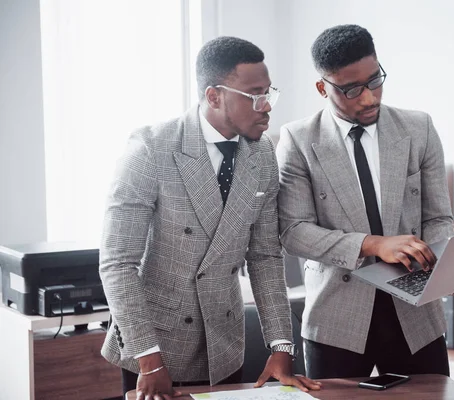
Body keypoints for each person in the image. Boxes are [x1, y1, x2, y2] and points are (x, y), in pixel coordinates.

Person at [100, 36, 320, 399]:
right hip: (155, 347)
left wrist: (282, 346)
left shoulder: (263, 154)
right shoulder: (150, 148)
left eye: (269, 93)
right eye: (254, 95)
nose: (266, 107)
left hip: (224, 341)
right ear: (214, 96)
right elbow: (117, 264)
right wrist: (149, 360)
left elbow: (265, 256)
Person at [277, 24, 454, 379]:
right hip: (337, 317)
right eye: (352, 89)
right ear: (322, 87)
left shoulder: (419, 128)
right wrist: (374, 244)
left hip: (415, 312)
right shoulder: (297, 140)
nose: (369, 97)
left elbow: (437, 216)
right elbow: (294, 232)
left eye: (375, 80)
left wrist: (450, 261)